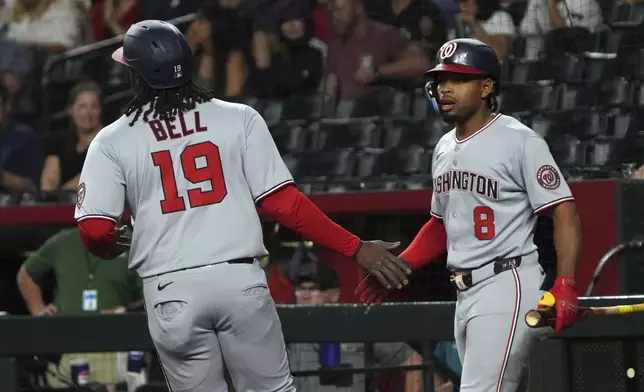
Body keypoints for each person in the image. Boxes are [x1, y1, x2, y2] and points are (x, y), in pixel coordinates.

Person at [73, 20, 411, 392]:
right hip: (240, 282)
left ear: (137, 76)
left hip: (170, 289)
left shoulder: (113, 139)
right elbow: (284, 204)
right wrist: (356, 247)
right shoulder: (238, 117)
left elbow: (95, 229)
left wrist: (107, 247)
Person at [356, 38, 583, 392]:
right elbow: (440, 224)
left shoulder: (519, 140)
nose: (445, 88)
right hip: (464, 293)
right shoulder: (444, 146)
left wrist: (566, 282)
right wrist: (400, 266)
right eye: (442, 79)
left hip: (507, 284)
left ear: (487, 86)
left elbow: (564, 211)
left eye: (459, 79)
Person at [289, 258, 453, 392]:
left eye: (313, 289)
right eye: (300, 289)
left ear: (334, 294)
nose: (305, 295)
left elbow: (413, 362)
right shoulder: (283, 331)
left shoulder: (355, 326)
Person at [16, 227, 143, 390]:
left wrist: (123, 310)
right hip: (65, 347)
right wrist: (39, 310)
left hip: (111, 347)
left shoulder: (130, 242)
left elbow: (152, 293)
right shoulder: (63, 241)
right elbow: (26, 275)